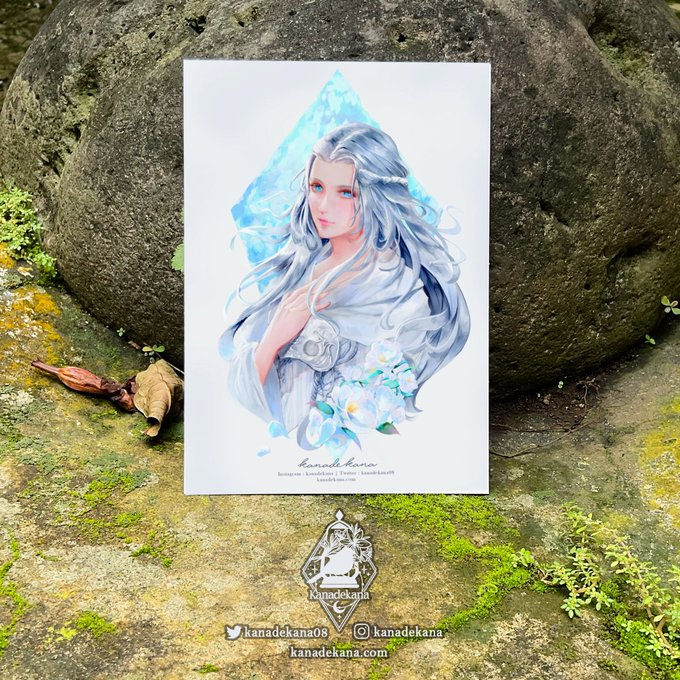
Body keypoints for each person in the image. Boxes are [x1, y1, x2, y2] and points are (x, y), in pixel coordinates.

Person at [220, 122, 470, 450]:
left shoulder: (404, 296)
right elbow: (238, 399)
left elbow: (384, 422)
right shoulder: (298, 268)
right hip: (271, 452)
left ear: (376, 196)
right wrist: (273, 340)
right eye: (317, 187)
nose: (323, 206)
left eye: (345, 192)